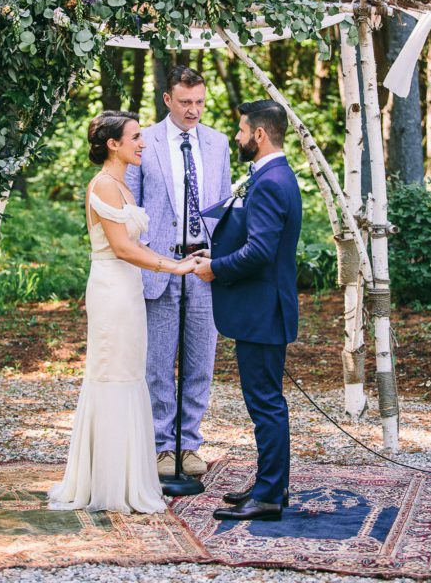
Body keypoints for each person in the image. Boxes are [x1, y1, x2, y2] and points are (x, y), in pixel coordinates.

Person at [50, 111, 196, 514]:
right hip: (112, 290)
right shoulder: (104, 185)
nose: (142, 143)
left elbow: (138, 248)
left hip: (128, 288)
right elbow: (124, 248)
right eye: (134, 137)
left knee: (131, 374)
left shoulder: (123, 184)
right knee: (113, 375)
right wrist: (175, 267)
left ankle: (130, 476)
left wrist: (177, 256)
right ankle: (110, 485)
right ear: (113, 144)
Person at [193, 100, 301, 522]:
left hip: (262, 312)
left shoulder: (271, 181)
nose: (237, 137)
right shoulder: (272, 176)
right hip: (261, 309)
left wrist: (215, 269)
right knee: (265, 403)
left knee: (266, 405)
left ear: (259, 134)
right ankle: (270, 484)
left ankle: (271, 495)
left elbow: (261, 252)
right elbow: (255, 240)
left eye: (240, 130)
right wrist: (214, 251)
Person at [125, 66, 231, 478]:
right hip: (159, 266)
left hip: (202, 267)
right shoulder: (144, 142)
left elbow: (222, 205)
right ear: (167, 99)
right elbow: (131, 206)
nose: (194, 110)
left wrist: (215, 256)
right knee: (158, 363)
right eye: (185, 102)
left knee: (201, 361)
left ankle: (190, 443)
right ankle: (162, 446)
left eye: (200, 102)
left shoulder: (218, 143)